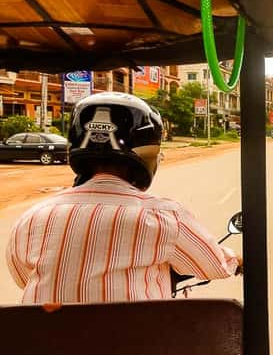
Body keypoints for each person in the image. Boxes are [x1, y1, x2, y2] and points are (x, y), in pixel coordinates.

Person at [5, 92, 242, 304]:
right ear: (148, 153)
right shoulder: (163, 218)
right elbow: (214, 266)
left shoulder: (32, 217)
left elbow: (23, 277)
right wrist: (236, 260)